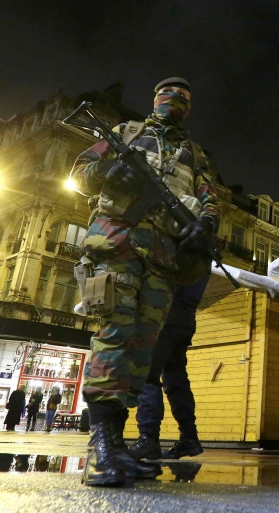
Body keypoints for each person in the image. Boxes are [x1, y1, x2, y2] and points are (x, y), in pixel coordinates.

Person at [71, 77, 218, 486]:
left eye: (184, 97)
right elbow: (80, 171)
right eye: (168, 93)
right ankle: (100, 449)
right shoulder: (126, 133)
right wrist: (109, 171)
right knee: (115, 335)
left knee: (142, 351)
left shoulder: (195, 154)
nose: (175, 101)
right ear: (154, 99)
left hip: (163, 258)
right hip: (117, 242)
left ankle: (116, 444)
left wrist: (205, 225)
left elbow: (209, 198)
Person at [129, 273, 211, 464]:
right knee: (176, 380)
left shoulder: (176, 245)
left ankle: (148, 439)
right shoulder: (203, 251)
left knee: (147, 376)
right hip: (186, 320)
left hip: (163, 316)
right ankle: (189, 437)